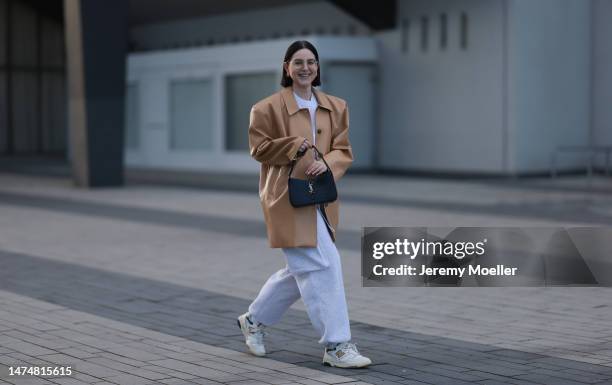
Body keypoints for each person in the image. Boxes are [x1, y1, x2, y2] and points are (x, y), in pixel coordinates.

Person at [237, 40, 371, 368]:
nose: (305, 68)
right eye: (298, 62)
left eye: (311, 62)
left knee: (302, 268)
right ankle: (337, 345)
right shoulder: (266, 108)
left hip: (320, 198)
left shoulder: (336, 106)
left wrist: (327, 162)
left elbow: (344, 149)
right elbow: (258, 148)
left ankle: (252, 321)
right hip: (286, 198)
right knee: (325, 264)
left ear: (318, 67)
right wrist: (294, 146)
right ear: (287, 68)